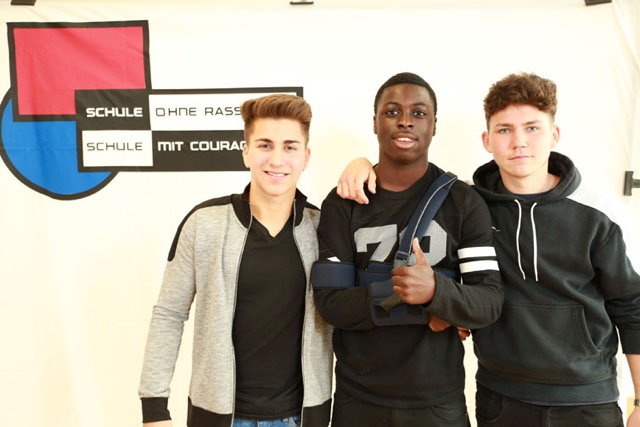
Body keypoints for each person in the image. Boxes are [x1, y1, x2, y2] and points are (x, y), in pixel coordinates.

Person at [338, 72, 640, 427]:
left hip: (587, 399)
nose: (519, 142)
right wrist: (361, 164)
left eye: (532, 128)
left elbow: (630, 307)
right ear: (487, 140)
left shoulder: (596, 211)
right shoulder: (465, 203)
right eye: (505, 130)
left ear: (554, 134)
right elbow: (459, 285)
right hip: (501, 397)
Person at [311, 71, 503, 427]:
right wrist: (427, 306)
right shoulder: (344, 202)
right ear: (375, 123)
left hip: (438, 403)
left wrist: (434, 290)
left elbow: (488, 301)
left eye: (418, 113)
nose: (405, 121)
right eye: (392, 112)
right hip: (357, 400)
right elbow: (331, 304)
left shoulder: (463, 201)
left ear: (434, 125)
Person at [138, 94, 333, 427]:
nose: (277, 159)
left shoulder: (324, 229)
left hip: (301, 417)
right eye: (264, 145)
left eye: (289, 147)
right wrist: (154, 409)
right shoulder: (204, 224)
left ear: (305, 156)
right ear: (246, 152)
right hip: (218, 417)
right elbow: (169, 314)